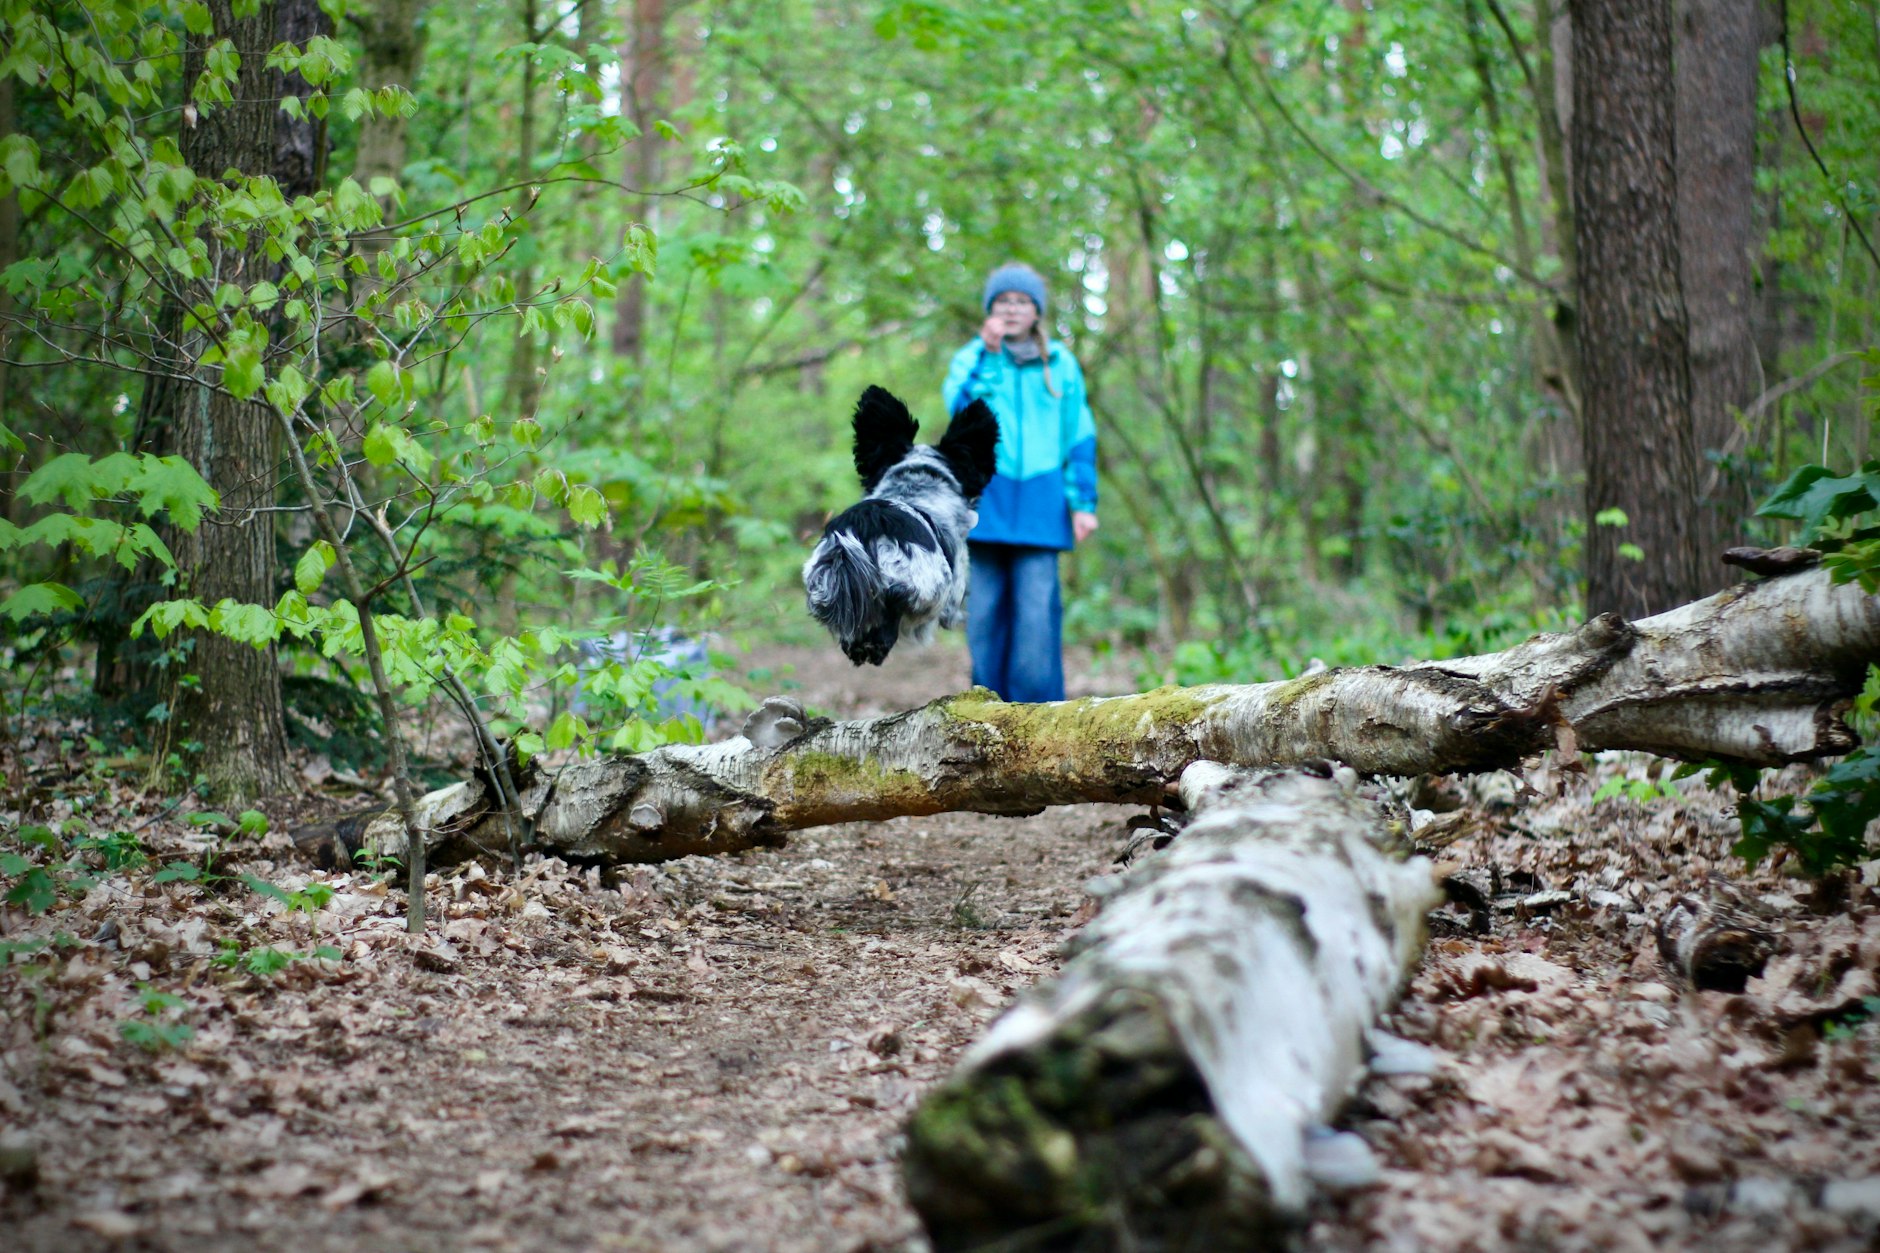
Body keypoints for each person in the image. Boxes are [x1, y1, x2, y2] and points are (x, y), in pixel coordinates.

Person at [941, 262, 1098, 703]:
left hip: (1043, 504)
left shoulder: (1061, 364)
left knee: (1035, 617)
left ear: (1037, 311)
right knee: (986, 615)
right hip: (985, 502)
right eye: (1003, 301)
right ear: (990, 309)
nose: (1012, 310)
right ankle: (988, 714)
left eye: (1022, 302)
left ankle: (1042, 716)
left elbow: (1079, 434)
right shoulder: (972, 357)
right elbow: (960, 412)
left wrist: (1083, 502)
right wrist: (989, 356)